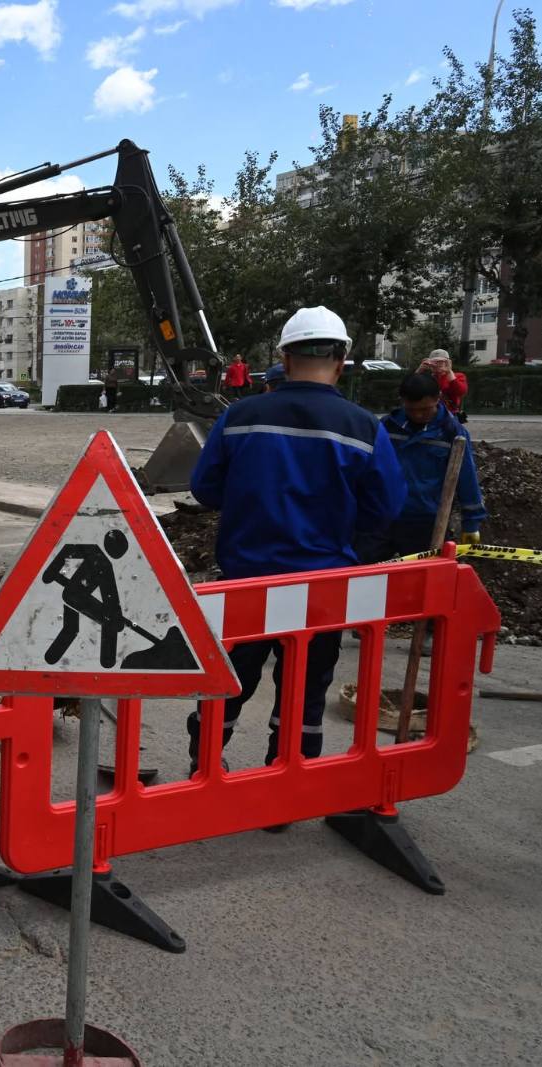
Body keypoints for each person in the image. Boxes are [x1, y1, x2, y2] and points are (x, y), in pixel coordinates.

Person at [188, 306, 405, 792]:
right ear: (342, 358)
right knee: (305, 691)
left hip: (246, 579)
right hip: (322, 587)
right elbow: (387, 505)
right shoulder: (363, 426)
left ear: (284, 356)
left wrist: (251, 497)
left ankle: (203, 771)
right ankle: (286, 784)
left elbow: (204, 488)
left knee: (227, 681)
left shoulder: (240, 416)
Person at [356, 372, 486, 562]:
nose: (418, 415)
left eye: (425, 410)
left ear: (437, 398)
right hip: (384, 517)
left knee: (426, 578)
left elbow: (466, 478)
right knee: (361, 570)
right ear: (402, 401)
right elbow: (368, 469)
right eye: (411, 409)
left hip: (426, 520)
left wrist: (472, 523)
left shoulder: (451, 432)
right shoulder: (387, 427)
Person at [419, 349, 467, 420]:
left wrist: (449, 372)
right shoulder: (426, 378)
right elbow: (409, 389)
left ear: (448, 363)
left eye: (441, 361)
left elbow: (461, 392)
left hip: (450, 415)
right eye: (434, 362)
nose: (438, 364)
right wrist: (419, 370)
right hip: (429, 415)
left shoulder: (457, 376)